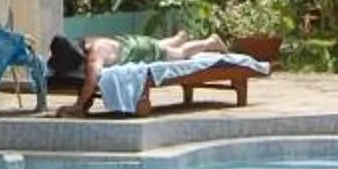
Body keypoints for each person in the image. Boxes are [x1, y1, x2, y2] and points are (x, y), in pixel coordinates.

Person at [66, 31, 230, 113]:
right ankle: (177, 38)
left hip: (141, 49)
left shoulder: (94, 54)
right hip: (134, 42)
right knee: (160, 46)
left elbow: (92, 79)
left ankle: (210, 42)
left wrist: (78, 105)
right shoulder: (89, 41)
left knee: (179, 54)